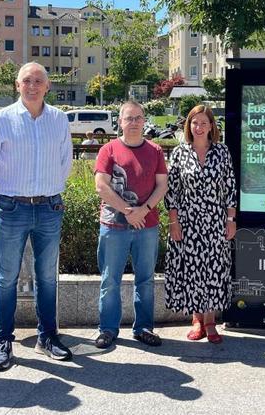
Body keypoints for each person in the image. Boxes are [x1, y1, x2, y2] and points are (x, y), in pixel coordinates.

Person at [0, 62, 73, 371]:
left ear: (47, 86)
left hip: (49, 208)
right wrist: (7, 193)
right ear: (17, 85)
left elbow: (65, 162)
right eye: (27, 81)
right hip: (12, 208)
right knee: (6, 277)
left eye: (38, 81)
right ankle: (3, 341)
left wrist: (48, 189)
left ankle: (47, 337)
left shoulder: (59, 120)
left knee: (47, 276)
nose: (32, 86)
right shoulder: (1, 120)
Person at [94, 100, 168, 349]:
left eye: (138, 118)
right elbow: (101, 185)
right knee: (109, 279)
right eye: (129, 118)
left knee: (145, 279)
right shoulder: (109, 150)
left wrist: (143, 210)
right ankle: (107, 329)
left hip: (146, 226)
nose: (134, 122)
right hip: (113, 226)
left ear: (144, 120)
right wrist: (127, 211)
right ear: (120, 122)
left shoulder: (155, 151)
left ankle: (144, 327)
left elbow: (162, 186)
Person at [165, 104, 236, 344]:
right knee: (193, 270)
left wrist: (230, 219)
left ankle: (211, 321)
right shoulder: (179, 153)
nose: (199, 127)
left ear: (211, 126)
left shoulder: (222, 152)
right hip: (188, 220)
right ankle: (196, 320)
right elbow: (172, 191)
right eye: (195, 122)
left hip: (216, 220)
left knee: (214, 269)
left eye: (204, 122)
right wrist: (173, 221)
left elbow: (230, 188)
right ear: (189, 125)